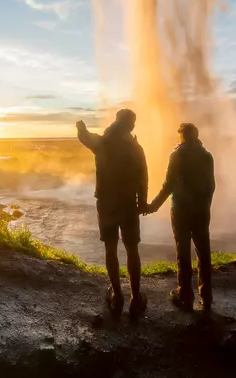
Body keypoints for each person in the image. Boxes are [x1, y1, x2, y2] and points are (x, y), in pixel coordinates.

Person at [76, 110, 148, 317]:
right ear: (131, 125)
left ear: (116, 121)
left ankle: (117, 295)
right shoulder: (135, 148)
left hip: (106, 202)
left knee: (110, 247)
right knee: (132, 248)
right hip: (128, 204)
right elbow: (143, 176)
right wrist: (142, 201)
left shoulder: (103, 143)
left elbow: (84, 137)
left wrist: (80, 126)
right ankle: (135, 298)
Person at [146, 122, 216, 313]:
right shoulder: (207, 156)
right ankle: (206, 297)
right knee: (204, 252)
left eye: (179, 135)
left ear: (182, 136)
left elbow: (168, 184)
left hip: (181, 210)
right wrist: (205, 206)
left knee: (183, 251)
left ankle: (184, 295)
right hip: (202, 211)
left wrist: (153, 206)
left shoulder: (177, 155)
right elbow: (211, 186)